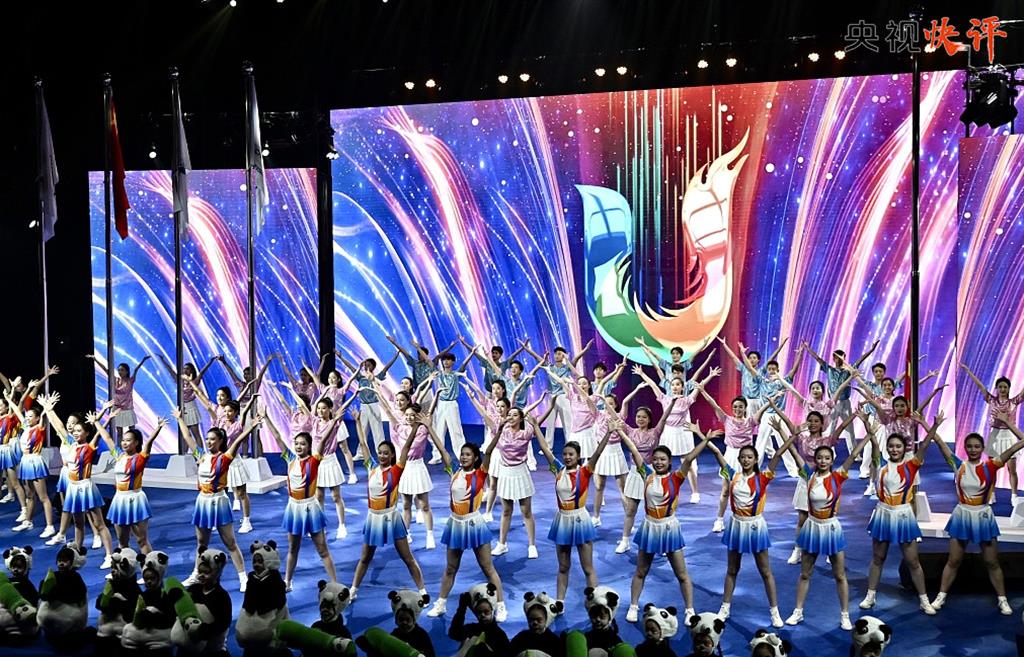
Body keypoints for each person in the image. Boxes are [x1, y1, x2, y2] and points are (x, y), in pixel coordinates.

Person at [770, 412, 875, 630]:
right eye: (820, 458)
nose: (823, 461)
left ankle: (845, 615)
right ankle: (798, 611)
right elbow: (792, 452)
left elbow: (854, 453)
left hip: (831, 528)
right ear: (815, 460)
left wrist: (868, 434)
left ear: (832, 460)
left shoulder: (838, 477)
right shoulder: (808, 475)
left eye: (827, 458)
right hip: (812, 527)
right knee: (805, 573)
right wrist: (783, 432)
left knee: (839, 575)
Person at [621, 422, 719, 623]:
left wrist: (704, 438)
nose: (658, 462)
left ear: (669, 462)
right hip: (650, 527)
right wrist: (619, 431)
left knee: (682, 574)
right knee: (641, 571)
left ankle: (690, 611)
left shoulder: (677, 478)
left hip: (669, 528)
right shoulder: (646, 474)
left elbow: (689, 458)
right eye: (655, 459)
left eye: (662, 459)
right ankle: (633, 606)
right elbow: (633, 449)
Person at [929, 411, 1024, 615]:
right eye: (970, 446)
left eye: (977, 446)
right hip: (962, 515)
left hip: (983, 515)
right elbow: (938, 441)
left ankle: (1002, 599)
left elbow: (1021, 443)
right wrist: (932, 425)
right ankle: (941, 596)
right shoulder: (958, 465)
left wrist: (1007, 423)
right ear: (965, 448)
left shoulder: (992, 465)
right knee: (954, 561)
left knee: (991, 561)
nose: (973, 450)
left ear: (983, 448)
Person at [705, 431, 799, 629]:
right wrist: (703, 437)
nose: (746, 460)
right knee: (732, 569)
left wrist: (793, 436)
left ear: (756, 460)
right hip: (736, 525)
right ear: (739, 459)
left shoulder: (763, 478)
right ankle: (725, 608)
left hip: (756, 526)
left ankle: (775, 612)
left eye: (750, 457)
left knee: (765, 571)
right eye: (743, 457)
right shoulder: (733, 475)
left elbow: (778, 454)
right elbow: (718, 454)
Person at [859, 412, 944, 614]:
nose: (894, 449)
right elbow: (874, 444)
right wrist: (868, 427)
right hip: (883, 514)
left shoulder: (911, 466)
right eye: (891, 446)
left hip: (904, 515)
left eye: (898, 446)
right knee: (878, 558)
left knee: (913, 561)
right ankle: (870, 595)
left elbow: (924, 446)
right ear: (887, 448)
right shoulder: (881, 465)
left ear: (904, 448)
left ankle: (924, 600)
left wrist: (933, 426)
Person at [765, 397, 860, 566]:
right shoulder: (802, 439)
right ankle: (798, 550)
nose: (813, 423)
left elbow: (841, 427)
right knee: (802, 518)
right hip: (805, 480)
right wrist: (775, 409)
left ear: (822, 423)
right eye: (810, 421)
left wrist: (855, 415)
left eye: (816, 421)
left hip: (824, 482)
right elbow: (788, 426)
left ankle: (829, 549)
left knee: (827, 517)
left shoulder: (827, 440)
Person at [174, 408, 260, 591]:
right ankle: (195, 574)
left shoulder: (225, 458)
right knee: (201, 544)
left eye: (212, 439)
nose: (209, 442)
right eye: (207, 439)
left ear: (220, 441)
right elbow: (188, 437)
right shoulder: (202, 456)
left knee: (230, 543)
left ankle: (243, 578)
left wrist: (251, 427)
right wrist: (180, 419)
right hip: (202, 502)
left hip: (219, 501)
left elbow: (237, 441)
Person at [349, 414, 429, 599]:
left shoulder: (396, 470)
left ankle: (423, 591)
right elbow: (363, 444)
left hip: (391, 518)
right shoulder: (371, 468)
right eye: (380, 452)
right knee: (365, 558)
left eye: (386, 453)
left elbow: (406, 447)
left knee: (407, 558)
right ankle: (353, 590)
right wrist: (358, 422)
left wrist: (416, 428)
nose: (382, 455)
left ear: (392, 455)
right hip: (373, 518)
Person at [426, 438, 505, 621]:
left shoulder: (480, 473)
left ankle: (501, 606)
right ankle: (441, 604)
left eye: (468, 454)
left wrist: (499, 431)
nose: (463, 457)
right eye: (462, 454)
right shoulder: (454, 471)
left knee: (488, 568)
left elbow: (489, 451)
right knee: (450, 568)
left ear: (475, 458)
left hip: (474, 524)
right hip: (455, 524)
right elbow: (443, 450)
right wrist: (430, 428)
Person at [261, 411, 338, 591]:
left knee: (322, 549)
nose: (298, 446)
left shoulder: (314, 461)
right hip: (294, 508)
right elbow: (278, 436)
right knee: (292, 548)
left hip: (310, 508)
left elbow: (323, 441)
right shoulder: (290, 459)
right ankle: (287, 582)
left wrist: (333, 421)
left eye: (303, 444)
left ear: (309, 446)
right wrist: (266, 417)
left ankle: (335, 584)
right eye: (296, 443)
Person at [37, 395, 115, 567]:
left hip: (86, 487)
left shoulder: (89, 447)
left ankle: (109, 555)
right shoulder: (70, 444)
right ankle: (77, 553)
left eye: (80, 431)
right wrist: (49, 409)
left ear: (86, 433)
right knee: (78, 523)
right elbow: (59, 426)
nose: (75, 433)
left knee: (99, 524)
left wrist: (102, 418)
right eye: (75, 431)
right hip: (72, 487)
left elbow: (102, 435)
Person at [549, 422, 621, 608]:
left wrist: (609, 432)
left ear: (578, 456)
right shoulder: (558, 470)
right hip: (562, 521)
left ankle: (596, 602)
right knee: (563, 567)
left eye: (571, 454)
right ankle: (559, 602)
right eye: (565, 454)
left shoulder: (585, 471)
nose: (567, 457)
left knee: (587, 567)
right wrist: (535, 426)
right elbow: (545, 448)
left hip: (580, 520)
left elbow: (598, 452)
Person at [633, 364, 721, 504]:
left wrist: (710, 375)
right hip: (667, 433)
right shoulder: (664, 399)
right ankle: (658, 490)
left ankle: (695, 492)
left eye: (677, 384)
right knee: (661, 462)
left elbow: (699, 387)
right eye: (673, 384)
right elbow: (653, 385)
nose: (674, 387)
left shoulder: (687, 400)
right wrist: (641, 373)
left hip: (681, 433)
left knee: (688, 463)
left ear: (682, 387)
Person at [697, 388, 777, 533]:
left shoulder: (751, 421)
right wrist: (703, 390)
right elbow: (713, 403)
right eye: (735, 407)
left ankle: (750, 518)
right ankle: (719, 520)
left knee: (748, 491)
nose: (737, 409)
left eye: (740, 407)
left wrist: (773, 399)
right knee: (726, 490)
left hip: (746, 457)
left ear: (745, 408)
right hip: (730, 456)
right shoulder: (727, 419)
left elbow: (763, 409)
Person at [378, 401, 449, 549]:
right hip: (404, 469)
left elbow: (412, 447)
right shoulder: (400, 428)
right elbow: (388, 412)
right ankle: (407, 533)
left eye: (412, 415)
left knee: (424, 505)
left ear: (417, 416)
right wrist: (378, 393)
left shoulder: (422, 430)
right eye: (407, 415)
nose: (409, 417)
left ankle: (430, 535)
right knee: (406, 505)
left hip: (417, 467)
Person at [491, 409, 559, 559]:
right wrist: (499, 429)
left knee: (526, 511)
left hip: (520, 472)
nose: (511, 417)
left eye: (515, 415)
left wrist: (537, 423)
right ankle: (502, 544)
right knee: (506, 511)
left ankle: (532, 545)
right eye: (509, 414)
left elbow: (543, 443)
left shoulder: (526, 432)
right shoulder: (501, 430)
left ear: (521, 419)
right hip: (505, 473)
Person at [616, 396, 678, 555]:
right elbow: (616, 417)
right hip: (635, 473)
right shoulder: (630, 431)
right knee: (631, 510)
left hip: (652, 473)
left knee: (657, 511)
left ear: (649, 419)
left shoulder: (655, 432)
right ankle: (625, 541)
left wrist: (671, 403)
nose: (640, 419)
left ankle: (661, 542)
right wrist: (603, 401)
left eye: (644, 417)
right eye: (638, 417)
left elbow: (664, 418)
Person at [960, 363, 1024, 504]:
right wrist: (968, 371)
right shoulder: (991, 400)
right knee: (991, 468)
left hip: (1009, 436)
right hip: (995, 435)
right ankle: (991, 494)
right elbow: (980, 386)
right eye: (1000, 387)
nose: (1002, 389)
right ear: (996, 388)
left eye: (1005, 387)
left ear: (1009, 389)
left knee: (1012, 470)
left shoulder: (1014, 402)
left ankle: (1014, 496)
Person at [804, 340, 879, 456]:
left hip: (845, 402)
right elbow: (818, 358)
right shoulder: (829, 369)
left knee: (850, 428)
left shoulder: (849, 370)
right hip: (833, 403)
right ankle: (829, 451)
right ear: (833, 359)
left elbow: (861, 359)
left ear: (844, 357)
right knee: (831, 428)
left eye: (841, 357)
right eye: (836, 357)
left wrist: (871, 350)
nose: (838, 359)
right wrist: (808, 349)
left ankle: (854, 453)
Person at [4, 389, 55, 537]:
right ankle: (28, 521)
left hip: (35, 462)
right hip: (25, 462)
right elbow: (16, 410)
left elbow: (44, 417)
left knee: (43, 497)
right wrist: (8, 398)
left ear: (37, 418)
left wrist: (46, 407)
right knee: (30, 495)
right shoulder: (26, 428)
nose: (27, 418)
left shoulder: (40, 428)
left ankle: (50, 526)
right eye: (26, 416)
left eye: (31, 416)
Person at [309, 393, 358, 539]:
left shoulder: (335, 423)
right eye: (319, 408)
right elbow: (308, 408)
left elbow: (343, 407)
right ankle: (320, 526)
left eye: (324, 408)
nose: (320, 411)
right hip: (317, 463)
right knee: (319, 497)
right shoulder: (314, 422)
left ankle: (342, 526)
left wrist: (355, 394)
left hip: (330, 461)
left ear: (330, 409)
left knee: (336, 496)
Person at [156, 355, 217, 449]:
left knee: (196, 433)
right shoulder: (180, 381)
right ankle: (185, 454)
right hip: (182, 408)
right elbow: (171, 371)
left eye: (187, 368)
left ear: (192, 371)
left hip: (191, 407)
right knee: (185, 435)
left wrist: (210, 361)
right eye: (184, 368)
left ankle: (199, 454)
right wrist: (163, 360)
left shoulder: (194, 381)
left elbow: (202, 372)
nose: (185, 370)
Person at [428, 349, 476, 465]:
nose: (446, 362)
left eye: (448, 360)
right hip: (441, 404)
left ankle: (462, 456)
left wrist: (472, 353)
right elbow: (430, 362)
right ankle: (437, 455)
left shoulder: (455, 374)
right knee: (439, 430)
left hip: (452, 404)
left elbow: (464, 364)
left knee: (456, 431)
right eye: (444, 360)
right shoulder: (439, 374)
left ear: (453, 362)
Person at [111, 357, 151, 441]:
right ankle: (118, 449)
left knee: (132, 431)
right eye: (119, 370)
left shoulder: (130, 380)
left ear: (127, 371)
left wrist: (143, 360)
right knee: (119, 433)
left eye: (122, 370)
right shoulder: (116, 380)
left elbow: (136, 369)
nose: (120, 372)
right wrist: (95, 359)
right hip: (118, 409)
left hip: (128, 408)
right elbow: (106, 370)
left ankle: (136, 447)